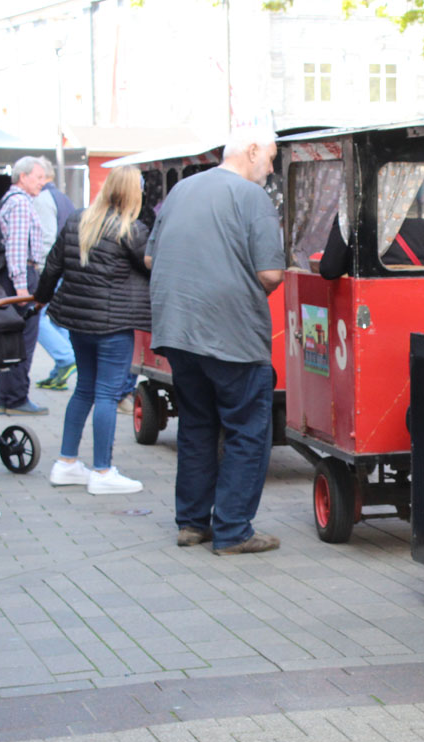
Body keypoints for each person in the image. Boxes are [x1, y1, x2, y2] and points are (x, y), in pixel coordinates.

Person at [146, 125, 284, 555]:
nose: (271, 168)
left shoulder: (183, 190)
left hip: (178, 330)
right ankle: (233, 531)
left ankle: (192, 523)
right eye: (272, 158)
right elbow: (271, 273)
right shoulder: (251, 197)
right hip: (232, 333)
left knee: (197, 425)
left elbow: (150, 257)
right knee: (247, 430)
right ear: (253, 150)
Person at [35, 166, 151, 495]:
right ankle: (102, 470)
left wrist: (40, 300)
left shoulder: (78, 219)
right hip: (113, 324)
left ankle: (67, 463)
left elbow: (53, 265)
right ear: (133, 192)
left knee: (84, 389)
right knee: (107, 394)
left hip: (78, 322)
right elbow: (151, 266)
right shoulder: (131, 228)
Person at [0, 156, 49, 416]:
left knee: (13, 338)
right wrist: (22, 287)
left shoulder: (11, 200)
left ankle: (7, 397)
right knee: (22, 340)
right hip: (21, 276)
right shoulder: (20, 204)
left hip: (16, 276)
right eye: (38, 177)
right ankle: (14, 398)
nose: (42, 183)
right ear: (22, 177)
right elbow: (16, 248)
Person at [33, 157, 78, 391]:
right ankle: (61, 367)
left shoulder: (43, 198)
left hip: (52, 267)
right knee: (58, 320)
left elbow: (47, 238)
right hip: (66, 266)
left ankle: (64, 358)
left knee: (36, 317)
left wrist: (41, 269)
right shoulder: (62, 197)